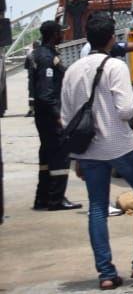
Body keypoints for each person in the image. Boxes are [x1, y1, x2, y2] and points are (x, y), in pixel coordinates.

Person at [61, 13, 133, 289]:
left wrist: (77, 157)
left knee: (97, 208)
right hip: (120, 144)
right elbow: (125, 110)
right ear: (112, 38)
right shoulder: (115, 66)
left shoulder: (73, 70)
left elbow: (65, 118)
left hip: (88, 151)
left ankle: (106, 274)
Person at [29, 21, 81, 211]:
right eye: (60, 32)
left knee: (47, 156)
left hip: (43, 116)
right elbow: (46, 92)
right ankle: (56, 200)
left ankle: (42, 199)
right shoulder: (46, 58)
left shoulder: (44, 54)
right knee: (59, 156)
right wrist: (58, 116)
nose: (62, 35)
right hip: (49, 116)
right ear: (53, 35)